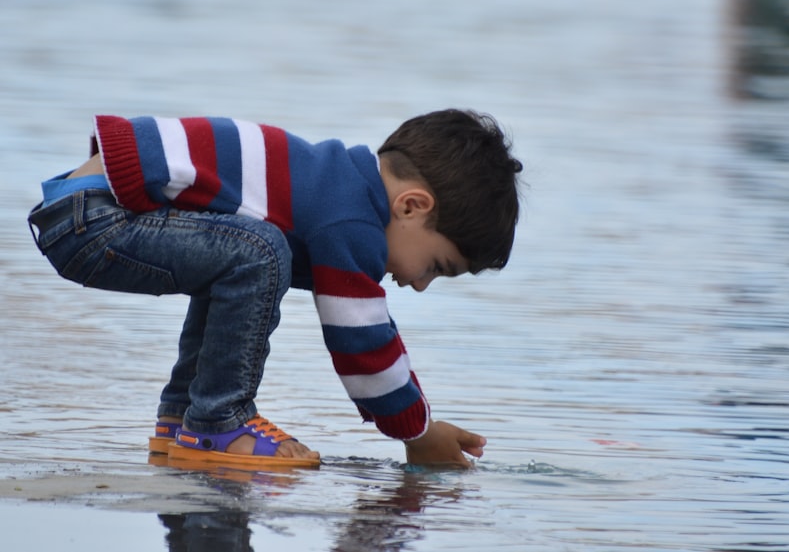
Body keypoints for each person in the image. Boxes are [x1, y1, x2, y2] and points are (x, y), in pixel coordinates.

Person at [27, 110, 522, 469]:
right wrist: (417, 430)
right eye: (435, 266)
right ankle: (218, 423)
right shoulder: (350, 220)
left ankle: (183, 422)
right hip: (93, 220)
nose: (418, 285)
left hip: (82, 210)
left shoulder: (331, 186)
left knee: (243, 257)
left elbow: (371, 324)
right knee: (259, 253)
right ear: (412, 206)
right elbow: (361, 340)